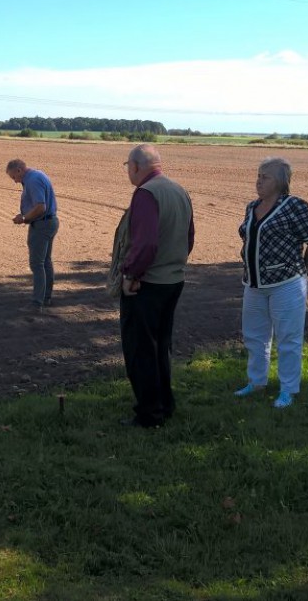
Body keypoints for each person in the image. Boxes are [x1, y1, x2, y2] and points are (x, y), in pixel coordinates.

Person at [113, 144, 194, 428]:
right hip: (173, 280)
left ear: (136, 166)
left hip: (147, 284)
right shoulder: (178, 190)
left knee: (140, 350)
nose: (128, 172)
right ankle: (164, 404)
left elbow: (145, 244)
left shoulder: (146, 194)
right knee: (161, 346)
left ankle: (149, 414)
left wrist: (131, 275)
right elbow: (189, 237)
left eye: (128, 166)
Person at [234, 156, 308, 408]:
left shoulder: (295, 206)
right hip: (253, 284)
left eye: (265, 177)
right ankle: (256, 382)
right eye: (258, 176)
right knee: (254, 336)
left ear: (281, 182)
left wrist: (305, 271)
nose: (258, 181)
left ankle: (288, 389)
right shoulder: (252, 206)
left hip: (287, 283)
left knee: (288, 339)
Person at [6, 159, 59, 308]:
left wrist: (24, 218)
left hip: (42, 225)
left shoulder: (33, 180)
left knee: (37, 264)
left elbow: (41, 207)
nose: (15, 181)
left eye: (14, 177)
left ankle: (37, 302)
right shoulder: (37, 175)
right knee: (45, 261)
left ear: (19, 170)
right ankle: (46, 297)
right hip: (49, 222)